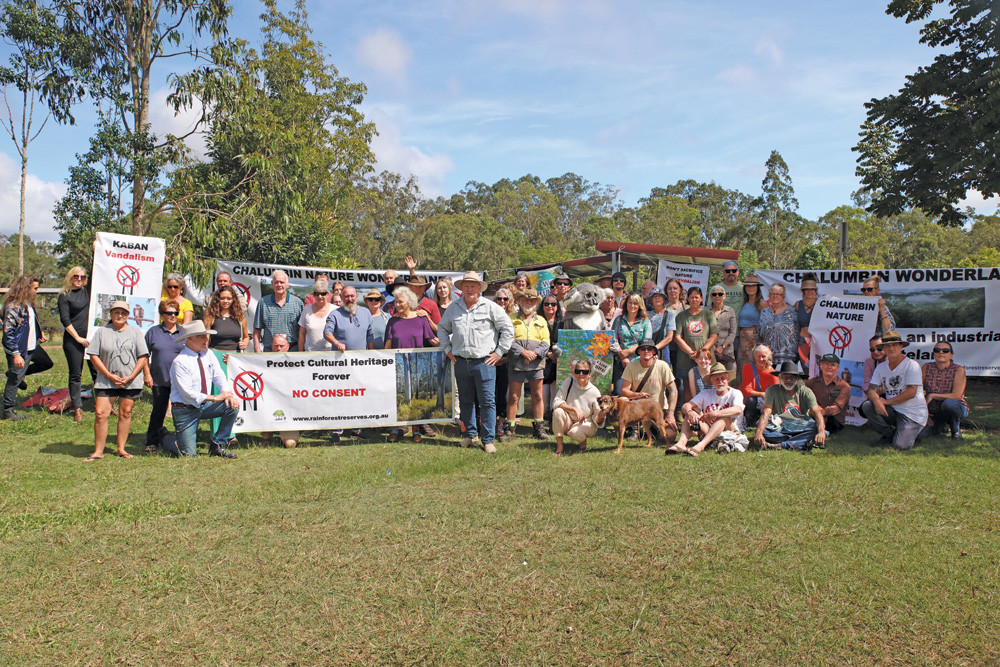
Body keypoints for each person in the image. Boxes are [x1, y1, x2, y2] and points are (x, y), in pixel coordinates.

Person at [438, 271, 515, 453]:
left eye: (473, 286)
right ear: (462, 288)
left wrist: (499, 352)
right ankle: (471, 435)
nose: (470, 289)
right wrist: (447, 350)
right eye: (467, 286)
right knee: (465, 400)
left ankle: (488, 439)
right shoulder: (453, 308)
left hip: (485, 362)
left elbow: (508, 329)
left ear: (479, 288)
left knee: (487, 402)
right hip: (461, 362)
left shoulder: (490, 307)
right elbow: (442, 328)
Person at [84, 300, 149, 461]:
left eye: (123, 313)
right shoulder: (101, 332)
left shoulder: (135, 333)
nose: (120, 316)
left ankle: (121, 448)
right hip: (107, 380)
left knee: (125, 413)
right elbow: (93, 355)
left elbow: (143, 356)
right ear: (111, 314)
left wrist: (132, 376)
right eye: (116, 312)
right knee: (100, 413)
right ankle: (98, 451)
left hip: (129, 380)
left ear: (128, 315)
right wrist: (107, 375)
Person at [167, 321, 238, 458]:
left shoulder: (208, 354)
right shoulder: (180, 361)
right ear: (189, 339)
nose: (205, 339)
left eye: (205, 335)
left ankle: (217, 445)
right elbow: (187, 393)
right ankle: (165, 438)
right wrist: (216, 398)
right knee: (188, 455)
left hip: (203, 405)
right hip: (185, 409)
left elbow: (219, 376)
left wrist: (228, 394)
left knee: (232, 405)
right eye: (200, 336)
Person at [385, 286, 439, 442]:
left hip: (417, 366)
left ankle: (416, 431)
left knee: (415, 399)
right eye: (396, 302)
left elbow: (432, 340)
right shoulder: (392, 320)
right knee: (397, 398)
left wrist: (448, 345)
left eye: (400, 301)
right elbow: (387, 345)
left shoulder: (421, 319)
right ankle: (395, 429)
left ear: (409, 302)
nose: (397, 304)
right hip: (397, 366)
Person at [860, 331, 927, 450]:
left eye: (894, 345)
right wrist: (877, 401)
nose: (891, 348)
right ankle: (889, 435)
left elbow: (911, 393)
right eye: (887, 345)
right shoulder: (881, 367)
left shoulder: (912, 365)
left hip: (912, 414)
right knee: (867, 406)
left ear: (901, 346)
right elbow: (871, 390)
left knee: (900, 446)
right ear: (883, 348)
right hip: (894, 411)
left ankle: (916, 431)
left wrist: (885, 402)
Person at [502, 288, 551, 441]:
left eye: (531, 300)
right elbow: (507, 339)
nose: (528, 302)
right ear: (519, 301)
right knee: (514, 397)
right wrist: (523, 352)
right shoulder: (509, 318)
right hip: (516, 362)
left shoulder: (541, 321)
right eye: (525, 299)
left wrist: (534, 354)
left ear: (536, 303)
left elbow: (546, 342)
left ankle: (539, 429)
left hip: (536, 363)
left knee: (537, 396)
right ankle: (509, 429)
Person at [3, 275, 53, 420]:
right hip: (19, 349)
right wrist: (16, 354)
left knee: (46, 363)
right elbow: (8, 333)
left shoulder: (28, 303)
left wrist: (38, 334)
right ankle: (8, 411)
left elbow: (29, 324)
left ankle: (15, 373)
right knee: (14, 380)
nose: (37, 291)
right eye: (35, 288)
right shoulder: (12, 306)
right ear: (25, 288)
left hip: (32, 346)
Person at [670, 362, 745, 456]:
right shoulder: (706, 393)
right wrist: (690, 412)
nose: (720, 382)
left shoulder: (735, 393)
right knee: (691, 414)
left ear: (728, 379)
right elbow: (685, 405)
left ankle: (700, 446)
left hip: (730, 431)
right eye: (716, 379)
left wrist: (715, 414)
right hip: (708, 431)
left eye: (723, 378)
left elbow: (738, 409)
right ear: (712, 381)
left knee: (724, 418)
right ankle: (681, 444)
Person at [752, 361, 827, 451]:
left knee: (818, 430)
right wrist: (759, 433)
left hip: (800, 427)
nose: (788, 380)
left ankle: (780, 445)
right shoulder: (772, 391)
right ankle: (799, 442)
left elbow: (817, 412)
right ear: (779, 378)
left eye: (791, 377)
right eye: (785, 377)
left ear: (797, 379)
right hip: (779, 427)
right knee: (762, 431)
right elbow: (766, 413)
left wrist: (821, 432)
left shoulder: (806, 391)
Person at [143, 299, 184, 453]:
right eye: (169, 313)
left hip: (180, 381)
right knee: (158, 410)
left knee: (183, 410)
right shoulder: (153, 332)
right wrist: (147, 374)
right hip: (159, 378)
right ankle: (152, 440)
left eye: (176, 313)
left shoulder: (185, 333)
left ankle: (184, 438)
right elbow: (144, 356)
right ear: (162, 314)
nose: (173, 316)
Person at [619, 339, 678, 444]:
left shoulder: (662, 365)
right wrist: (637, 395)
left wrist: (671, 413)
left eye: (650, 349)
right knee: (623, 399)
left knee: (670, 436)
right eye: (643, 349)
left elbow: (673, 389)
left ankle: (649, 432)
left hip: (658, 410)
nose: (646, 351)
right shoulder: (631, 366)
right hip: (638, 410)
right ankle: (636, 429)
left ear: (654, 352)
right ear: (639, 352)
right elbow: (624, 390)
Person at [57, 266, 95, 423]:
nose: (79, 279)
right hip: (73, 341)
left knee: (97, 373)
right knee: (75, 375)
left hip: (91, 340)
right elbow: (65, 320)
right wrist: (78, 338)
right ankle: (77, 409)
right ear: (70, 277)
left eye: (82, 277)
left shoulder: (88, 292)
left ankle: (104, 404)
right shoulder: (64, 296)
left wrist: (96, 248)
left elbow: (98, 267)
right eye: (76, 277)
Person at [674, 286, 719, 401]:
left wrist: (702, 352)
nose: (694, 300)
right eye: (692, 297)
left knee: (710, 384)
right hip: (687, 356)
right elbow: (677, 337)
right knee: (688, 386)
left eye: (697, 297)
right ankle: (688, 411)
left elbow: (714, 335)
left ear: (701, 299)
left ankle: (709, 408)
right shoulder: (681, 316)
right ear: (687, 298)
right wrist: (690, 352)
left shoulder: (708, 314)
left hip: (706, 357)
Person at [551, 359, 601, 455]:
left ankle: (582, 443)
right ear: (574, 373)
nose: (581, 374)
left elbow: (597, 416)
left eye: (585, 372)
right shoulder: (568, 382)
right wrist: (574, 409)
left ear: (589, 374)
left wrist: (601, 416)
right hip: (569, 419)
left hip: (586, 422)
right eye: (578, 371)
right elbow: (556, 402)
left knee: (575, 433)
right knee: (557, 411)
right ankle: (560, 448)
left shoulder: (595, 392)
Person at [921, 341, 968, 439]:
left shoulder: (958, 370)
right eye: (937, 350)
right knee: (921, 435)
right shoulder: (926, 367)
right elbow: (918, 391)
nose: (941, 352)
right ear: (934, 353)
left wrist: (932, 395)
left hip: (955, 406)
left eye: (945, 350)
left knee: (949, 404)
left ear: (951, 355)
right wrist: (924, 413)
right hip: (933, 410)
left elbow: (956, 396)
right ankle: (939, 426)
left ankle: (955, 430)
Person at [610, 293, 652, 396]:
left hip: (639, 362)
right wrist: (622, 357)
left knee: (638, 394)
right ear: (626, 304)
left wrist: (628, 351)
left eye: (635, 303)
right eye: (630, 303)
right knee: (620, 392)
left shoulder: (645, 322)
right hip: (621, 363)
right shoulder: (618, 320)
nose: (632, 306)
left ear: (639, 305)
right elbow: (613, 340)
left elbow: (646, 342)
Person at [253, 270, 304, 352]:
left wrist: (301, 350)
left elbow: (303, 329)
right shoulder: (263, 303)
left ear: (287, 284)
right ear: (272, 284)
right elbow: (257, 328)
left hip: (293, 350)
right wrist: (257, 348)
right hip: (270, 352)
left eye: (282, 282)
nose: (279, 285)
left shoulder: (297, 303)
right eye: (276, 282)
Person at [265, 334, 301, 448]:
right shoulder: (262, 361)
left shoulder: (299, 362)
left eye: (282, 346)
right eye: (276, 346)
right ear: (271, 346)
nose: (278, 349)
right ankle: (266, 434)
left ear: (288, 346)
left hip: (289, 412)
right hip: (269, 408)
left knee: (290, 444)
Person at [804, 353, 851, 434]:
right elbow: (801, 390)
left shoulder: (844, 386)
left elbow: (837, 408)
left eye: (833, 365)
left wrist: (819, 412)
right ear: (821, 366)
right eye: (826, 364)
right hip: (815, 416)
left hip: (833, 421)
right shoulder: (813, 382)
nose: (829, 367)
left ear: (838, 368)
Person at [492, 286, 516, 440]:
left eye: (505, 299)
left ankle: (501, 423)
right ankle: (488, 423)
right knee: (489, 394)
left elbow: (516, 340)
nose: (502, 301)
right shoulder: (490, 314)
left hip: (508, 360)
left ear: (510, 301)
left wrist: (504, 358)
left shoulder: (513, 317)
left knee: (503, 394)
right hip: (490, 359)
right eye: (499, 298)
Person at [759, 283, 799, 367]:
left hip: (787, 354)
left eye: (778, 294)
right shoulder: (764, 312)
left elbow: (796, 331)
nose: (775, 296)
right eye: (772, 294)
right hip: (768, 355)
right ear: (769, 296)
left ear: (783, 297)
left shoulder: (792, 311)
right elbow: (760, 331)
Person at [324, 285, 374, 352]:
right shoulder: (334, 314)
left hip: (361, 359)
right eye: (347, 296)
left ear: (356, 296)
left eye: (352, 296)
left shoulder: (366, 312)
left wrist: (371, 353)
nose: (350, 299)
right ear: (341, 297)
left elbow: (370, 335)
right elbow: (327, 333)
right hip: (341, 359)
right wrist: (337, 344)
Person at [740, 344, 778, 428]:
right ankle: (750, 422)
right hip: (750, 399)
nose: (761, 359)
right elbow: (746, 390)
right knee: (751, 401)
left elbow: (775, 393)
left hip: (765, 401)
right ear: (754, 357)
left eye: (763, 356)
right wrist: (761, 394)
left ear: (768, 357)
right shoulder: (747, 368)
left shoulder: (772, 373)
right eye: (758, 356)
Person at [204, 286, 249, 353]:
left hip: (235, 357)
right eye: (222, 298)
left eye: (229, 299)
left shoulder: (240, 316)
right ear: (218, 299)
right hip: (214, 354)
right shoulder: (210, 315)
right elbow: (205, 338)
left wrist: (245, 344)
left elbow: (246, 337)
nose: (225, 301)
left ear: (233, 300)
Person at [736, 274, 765, 373]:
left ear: (757, 288)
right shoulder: (744, 302)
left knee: (753, 365)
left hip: (755, 338)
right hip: (742, 338)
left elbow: (766, 323)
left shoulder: (762, 303)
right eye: (748, 286)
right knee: (742, 366)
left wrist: (759, 341)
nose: (750, 288)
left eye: (753, 286)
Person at [540, 294, 563, 416]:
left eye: (553, 304)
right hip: (542, 360)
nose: (550, 306)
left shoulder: (562, 322)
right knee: (543, 392)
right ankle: (542, 415)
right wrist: (548, 353)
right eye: (547, 304)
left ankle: (554, 416)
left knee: (555, 390)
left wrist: (555, 355)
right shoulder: (537, 320)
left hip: (557, 361)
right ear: (542, 306)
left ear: (557, 306)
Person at [296, 278, 334, 351]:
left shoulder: (335, 310)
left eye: (323, 294)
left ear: (328, 294)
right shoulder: (306, 310)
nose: (319, 297)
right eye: (316, 294)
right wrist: (300, 354)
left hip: (331, 355)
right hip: (310, 355)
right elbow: (302, 334)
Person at [709, 283, 737, 370]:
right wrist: (713, 347)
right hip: (710, 351)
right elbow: (704, 331)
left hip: (727, 352)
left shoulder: (730, 311)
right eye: (714, 294)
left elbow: (733, 332)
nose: (717, 296)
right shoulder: (705, 311)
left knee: (727, 377)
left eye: (720, 294)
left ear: (724, 296)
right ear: (711, 296)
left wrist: (722, 347)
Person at [795, 274, 819, 370]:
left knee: (816, 370)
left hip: (817, 342)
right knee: (806, 370)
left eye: (812, 289)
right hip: (802, 342)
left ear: (815, 290)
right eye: (807, 289)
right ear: (803, 291)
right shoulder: (798, 304)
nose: (810, 291)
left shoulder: (821, 303)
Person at [647, 287, 676, 363]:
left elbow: (669, 337)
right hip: (647, 351)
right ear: (651, 300)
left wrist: (654, 349)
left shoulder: (670, 316)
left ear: (664, 299)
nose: (657, 298)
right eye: (654, 296)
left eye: (659, 296)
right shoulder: (646, 315)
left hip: (663, 353)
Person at [663, 277, 686, 370]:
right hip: (667, 347)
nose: (672, 291)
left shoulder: (687, 307)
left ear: (680, 290)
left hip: (683, 347)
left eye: (675, 288)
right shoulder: (663, 307)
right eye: (670, 288)